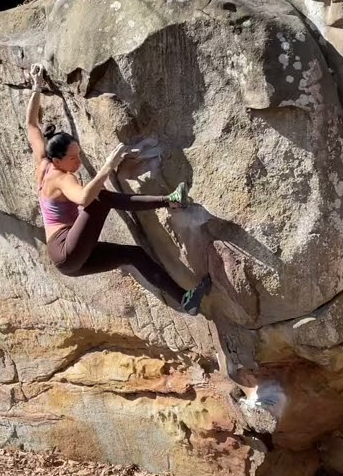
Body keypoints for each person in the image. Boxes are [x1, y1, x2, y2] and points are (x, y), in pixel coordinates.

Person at [25, 64, 211, 315]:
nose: (78, 163)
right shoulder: (60, 178)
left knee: (133, 255)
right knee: (99, 198)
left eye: (79, 155)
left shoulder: (44, 163)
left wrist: (36, 87)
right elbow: (82, 197)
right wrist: (106, 168)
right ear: (57, 161)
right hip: (66, 249)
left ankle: (185, 300)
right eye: (72, 159)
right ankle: (170, 200)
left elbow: (31, 125)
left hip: (69, 260)